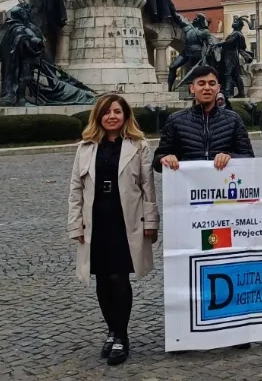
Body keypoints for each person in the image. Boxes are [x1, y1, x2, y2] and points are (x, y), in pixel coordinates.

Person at [153, 65, 254, 349]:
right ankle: (186, 329)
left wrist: (230, 157)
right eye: (201, 83)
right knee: (188, 265)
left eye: (212, 82)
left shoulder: (233, 120)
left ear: (219, 88)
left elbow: (248, 157)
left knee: (227, 264)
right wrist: (167, 159)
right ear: (192, 89)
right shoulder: (176, 121)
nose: (207, 87)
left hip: (225, 211)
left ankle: (234, 326)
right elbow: (158, 157)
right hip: (188, 212)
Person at [68, 94, 158, 366]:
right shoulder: (85, 147)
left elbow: (147, 188)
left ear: (125, 116)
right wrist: (75, 224)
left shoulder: (139, 145)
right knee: (103, 278)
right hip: (96, 218)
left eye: (117, 111)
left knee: (120, 277)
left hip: (125, 219)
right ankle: (111, 330)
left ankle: (121, 335)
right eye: (106, 112)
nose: (112, 116)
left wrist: (151, 222)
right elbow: (75, 189)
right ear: (98, 116)